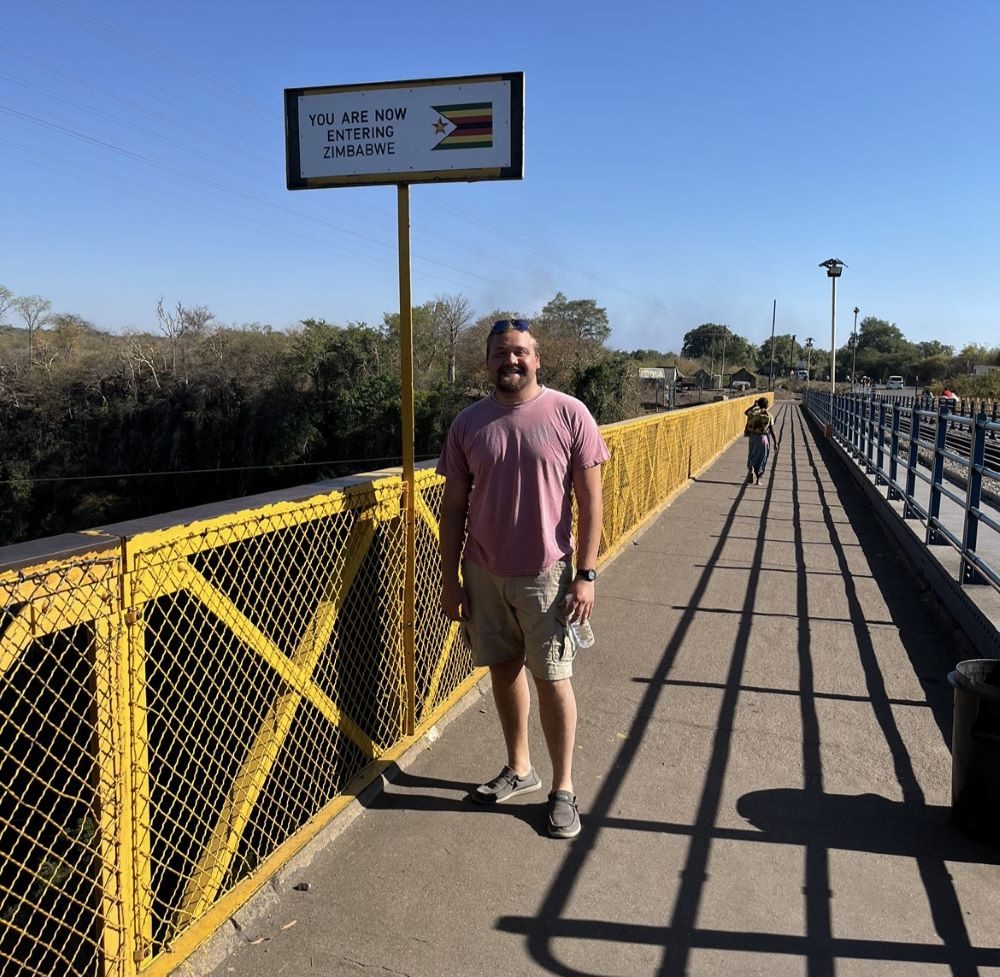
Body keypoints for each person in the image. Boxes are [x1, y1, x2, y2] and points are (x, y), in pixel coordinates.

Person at [437, 318, 609, 839]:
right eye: (499, 353)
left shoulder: (569, 413)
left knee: (553, 679)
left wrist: (586, 574)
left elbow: (591, 500)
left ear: (537, 359)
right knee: (503, 670)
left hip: (548, 576)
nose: (510, 361)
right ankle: (519, 768)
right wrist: (449, 579)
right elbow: (453, 508)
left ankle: (563, 789)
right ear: (487, 361)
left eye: (520, 353)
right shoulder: (468, 423)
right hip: (484, 573)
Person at [743, 396, 775, 485]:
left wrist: (753, 406)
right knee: (761, 458)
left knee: (752, 455)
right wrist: (775, 443)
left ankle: (751, 469)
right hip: (763, 438)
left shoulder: (753, 414)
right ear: (767, 405)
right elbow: (771, 430)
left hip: (753, 437)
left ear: (758, 404)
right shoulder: (769, 415)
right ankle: (757, 480)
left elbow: (746, 412)